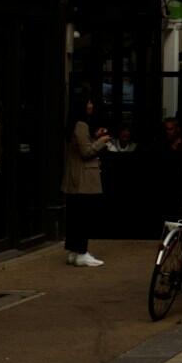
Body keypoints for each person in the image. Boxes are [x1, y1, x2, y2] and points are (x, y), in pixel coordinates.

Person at [63, 96, 107, 267]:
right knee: (83, 217)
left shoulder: (75, 125)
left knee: (75, 216)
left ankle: (74, 251)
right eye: (88, 102)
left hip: (75, 178)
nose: (91, 105)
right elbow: (86, 152)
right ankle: (81, 251)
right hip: (83, 178)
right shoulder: (81, 125)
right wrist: (101, 142)